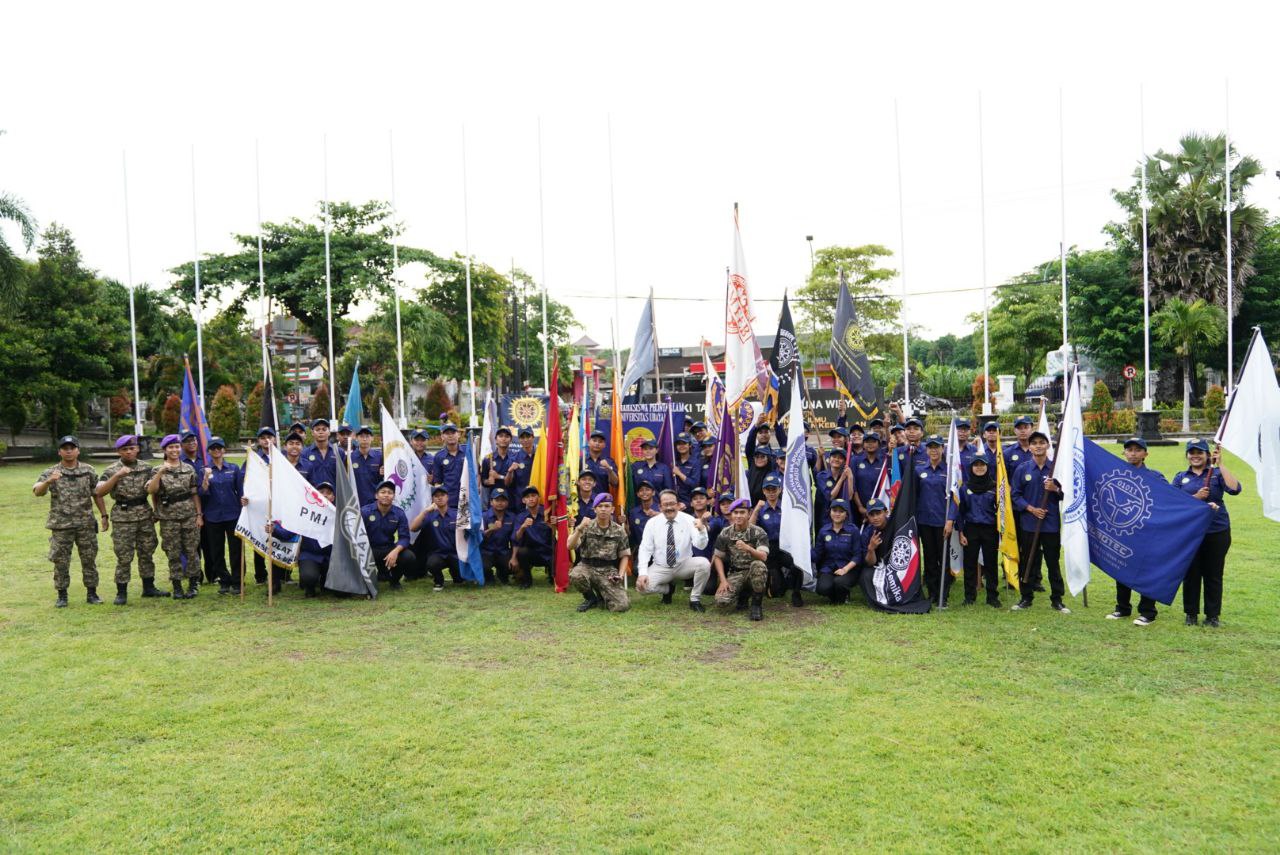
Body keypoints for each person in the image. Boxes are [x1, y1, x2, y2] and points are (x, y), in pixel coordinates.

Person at [34, 435, 107, 607]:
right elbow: (37, 491)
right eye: (65, 448)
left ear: (78, 450)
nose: (68, 451)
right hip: (61, 525)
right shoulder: (51, 472)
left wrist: (104, 515)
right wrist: (49, 481)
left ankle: (92, 593)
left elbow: (96, 493)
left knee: (89, 559)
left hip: (85, 524)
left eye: (72, 448)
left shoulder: (88, 470)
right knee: (61, 561)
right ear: (59, 452)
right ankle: (62, 596)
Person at [1175, 439, 1241, 628]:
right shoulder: (1181, 477)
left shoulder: (1216, 474)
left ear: (1207, 455)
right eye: (1191, 452)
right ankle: (1191, 614)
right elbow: (1172, 502)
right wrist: (1195, 498)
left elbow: (1235, 489)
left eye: (1200, 452)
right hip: (1190, 532)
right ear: (1187, 455)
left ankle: (1212, 615)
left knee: (1213, 574)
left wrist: (1220, 464)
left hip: (1216, 530)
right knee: (1191, 574)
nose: (1195, 455)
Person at [95, 434, 166, 604]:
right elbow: (99, 492)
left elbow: (154, 490)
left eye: (132, 448)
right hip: (123, 516)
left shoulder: (147, 468)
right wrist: (117, 476)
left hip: (144, 513)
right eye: (124, 449)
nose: (129, 452)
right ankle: (121, 592)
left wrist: (156, 510)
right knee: (124, 555)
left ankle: (148, 587)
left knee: (147, 551)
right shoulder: (111, 470)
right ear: (119, 451)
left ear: (137, 449)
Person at [1105, 438, 1165, 625]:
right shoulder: (1116, 475)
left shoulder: (1156, 476)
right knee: (1121, 567)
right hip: (1123, 531)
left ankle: (1148, 612)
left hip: (1147, 533)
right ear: (1124, 453)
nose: (1133, 453)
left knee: (1147, 570)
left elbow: (1168, 500)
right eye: (1129, 450)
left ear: (1145, 454)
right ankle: (1122, 608)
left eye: (1138, 450)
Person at [1010, 430, 1068, 613]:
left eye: (1041, 442)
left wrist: (1056, 489)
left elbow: (1067, 496)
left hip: (1050, 525)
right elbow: (1015, 495)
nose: (1038, 446)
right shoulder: (1023, 469)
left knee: (1052, 562)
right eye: (1034, 443)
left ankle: (1057, 599)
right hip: (1029, 523)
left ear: (1047, 445)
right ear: (1030, 446)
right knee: (1028, 561)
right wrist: (1031, 509)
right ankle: (1026, 597)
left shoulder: (1056, 469)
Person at [147, 433, 204, 600]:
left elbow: (194, 493)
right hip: (168, 517)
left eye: (177, 447)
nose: (175, 450)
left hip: (188, 515)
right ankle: (177, 585)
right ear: (165, 450)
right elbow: (152, 490)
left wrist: (199, 514)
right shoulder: (157, 470)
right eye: (171, 447)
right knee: (173, 552)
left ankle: (193, 585)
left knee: (192, 550)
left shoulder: (188, 468)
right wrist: (160, 473)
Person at [636, 489, 712, 612]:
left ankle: (695, 599)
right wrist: (642, 573)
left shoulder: (688, 520)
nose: (669, 507)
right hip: (661, 566)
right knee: (642, 588)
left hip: (683, 565)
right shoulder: (652, 523)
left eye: (672, 504)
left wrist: (702, 531)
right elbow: (645, 549)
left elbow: (701, 545)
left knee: (704, 564)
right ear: (660, 507)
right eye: (665, 505)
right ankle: (668, 589)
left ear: (678, 505)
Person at [950, 453, 1001, 607]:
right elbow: (960, 512)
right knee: (970, 564)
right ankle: (969, 597)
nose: (979, 468)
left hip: (990, 529)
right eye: (976, 465)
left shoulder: (995, 487)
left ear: (987, 467)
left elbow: (1002, 510)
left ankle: (992, 597)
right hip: (970, 529)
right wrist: (961, 532)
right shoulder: (965, 487)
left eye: (982, 465)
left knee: (991, 564)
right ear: (971, 468)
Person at [567, 494, 631, 613]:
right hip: (587, 567)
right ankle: (591, 598)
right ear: (594, 509)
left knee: (622, 606)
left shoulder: (619, 530)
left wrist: (620, 575)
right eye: (600, 506)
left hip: (607, 570)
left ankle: (603, 594)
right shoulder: (586, 526)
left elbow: (625, 555)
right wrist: (579, 528)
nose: (603, 509)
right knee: (576, 575)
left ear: (612, 509)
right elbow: (570, 546)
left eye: (607, 506)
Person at [198, 436, 244, 595]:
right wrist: (205, 479)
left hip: (233, 514)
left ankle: (238, 581)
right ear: (209, 451)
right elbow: (201, 494)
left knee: (236, 550)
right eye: (213, 448)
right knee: (216, 551)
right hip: (213, 516)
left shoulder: (233, 468)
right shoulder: (204, 470)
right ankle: (224, 580)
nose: (216, 450)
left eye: (219, 448)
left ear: (224, 449)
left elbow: (240, 491)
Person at [712, 498, 770, 621]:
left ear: (749, 514)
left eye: (742, 512)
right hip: (736, 572)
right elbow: (717, 557)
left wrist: (748, 548)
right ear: (731, 514)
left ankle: (756, 604)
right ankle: (743, 595)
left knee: (758, 566)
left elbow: (763, 556)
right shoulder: (726, 533)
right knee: (721, 602)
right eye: (735, 512)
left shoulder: (758, 532)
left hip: (753, 570)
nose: (738, 516)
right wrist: (723, 580)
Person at [750, 472, 801, 604]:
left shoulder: (786, 507)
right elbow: (750, 528)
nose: (771, 492)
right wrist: (756, 510)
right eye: (768, 489)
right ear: (763, 491)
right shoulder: (760, 509)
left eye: (774, 489)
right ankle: (779, 578)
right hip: (769, 549)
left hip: (785, 547)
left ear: (780, 489)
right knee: (776, 592)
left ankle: (796, 593)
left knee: (797, 565)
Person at [915, 435, 952, 607]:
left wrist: (950, 520)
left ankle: (943, 596)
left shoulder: (950, 471)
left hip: (943, 523)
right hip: (924, 522)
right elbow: (914, 496)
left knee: (943, 560)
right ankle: (932, 594)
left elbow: (955, 499)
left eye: (937, 447)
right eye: (930, 447)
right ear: (926, 450)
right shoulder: (919, 470)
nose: (934, 450)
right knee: (929, 559)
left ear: (942, 449)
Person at [362, 479, 415, 589]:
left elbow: (404, 537)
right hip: (369, 549)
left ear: (393, 496)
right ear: (376, 495)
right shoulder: (365, 512)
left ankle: (394, 580)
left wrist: (395, 551)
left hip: (388, 548)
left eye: (390, 493)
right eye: (383, 492)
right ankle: (368, 580)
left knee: (409, 557)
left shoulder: (399, 513)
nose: (386, 495)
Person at [812, 499, 859, 605]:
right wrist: (803, 549)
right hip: (828, 568)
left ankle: (844, 594)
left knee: (839, 583)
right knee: (822, 588)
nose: (837, 514)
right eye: (834, 510)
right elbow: (817, 555)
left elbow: (857, 556)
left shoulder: (853, 531)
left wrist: (845, 569)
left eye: (841, 511)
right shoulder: (824, 531)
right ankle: (837, 595)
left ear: (846, 514)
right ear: (830, 512)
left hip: (848, 569)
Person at [410, 486, 459, 589]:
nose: (439, 498)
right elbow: (413, 528)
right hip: (437, 554)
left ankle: (456, 575)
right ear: (432, 499)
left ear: (447, 497)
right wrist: (425, 511)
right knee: (432, 564)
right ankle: (438, 580)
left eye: (442, 495)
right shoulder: (429, 516)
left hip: (455, 553)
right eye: (436, 496)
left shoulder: (457, 514)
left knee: (460, 581)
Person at [512, 485, 554, 588]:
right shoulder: (521, 517)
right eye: (527, 497)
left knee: (555, 580)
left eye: (533, 495)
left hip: (550, 551)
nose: (531, 498)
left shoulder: (548, 513)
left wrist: (552, 526)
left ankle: (553, 576)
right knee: (522, 552)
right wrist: (523, 527)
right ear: (523, 500)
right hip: (533, 552)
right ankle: (527, 581)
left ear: (539, 498)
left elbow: (558, 534)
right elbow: (516, 538)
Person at [481, 487, 516, 584]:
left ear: (507, 502)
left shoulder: (512, 517)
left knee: (513, 566)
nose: (500, 503)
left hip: (503, 551)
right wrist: (491, 530)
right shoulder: (483, 516)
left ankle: (502, 574)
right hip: (486, 552)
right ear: (491, 502)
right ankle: (489, 576)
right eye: (497, 500)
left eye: (503, 500)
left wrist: (514, 557)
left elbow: (514, 539)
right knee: (484, 567)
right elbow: (478, 537)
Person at [852, 432, 887, 519]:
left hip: (880, 509)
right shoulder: (855, 460)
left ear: (879, 444)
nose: (870, 444)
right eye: (867, 442)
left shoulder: (885, 460)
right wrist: (860, 507)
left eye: (873, 441)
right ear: (863, 444)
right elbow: (853, 486)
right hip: (861, 509)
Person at [303, 418, 344, 488]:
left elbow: (343, 477)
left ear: (329, 432)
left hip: (334, 497)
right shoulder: (305, 453)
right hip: (313, 496)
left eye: (324, 429)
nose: (321, 432)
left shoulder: (339, 452)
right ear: (312, 433)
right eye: (317, 429)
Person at [430, 423, 464, 506]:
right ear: (442, 437)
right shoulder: (438, 456)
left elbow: (476, 474)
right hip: (449, 502)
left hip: (468, 499)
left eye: (453, 433)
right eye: (447, 433)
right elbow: (437, 482)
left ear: (458, 434)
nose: (450, 436)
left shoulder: (468, 451)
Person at [350, 425, 383, 506]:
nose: (364, 439)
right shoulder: (350, 458)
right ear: (356, 438)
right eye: (361, 436)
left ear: (372, 438)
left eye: (367, 436)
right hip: (356, 502)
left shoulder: (380, 456)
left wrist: (384, 473)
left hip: (375, 502)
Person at [583, 430, 620, 497]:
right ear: (589, 442)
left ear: (604, 445)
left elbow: (615, 483)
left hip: (602, 502)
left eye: (600, 441)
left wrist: (609, 470)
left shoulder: (609, 461)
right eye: (594, 440)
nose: (597, 443)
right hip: (584, 501)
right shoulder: (582, 460)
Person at [628, 480, 660, 554]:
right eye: (641, 490)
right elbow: (632, 535)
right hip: (642, 551)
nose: (644, 492)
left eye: (647, 490)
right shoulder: (633, 512)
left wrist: (659, 515)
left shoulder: (661, 509)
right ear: (638, 494)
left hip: (660, 551)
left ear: (653, 493)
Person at [480, 426, 516, 491]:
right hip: (495, 499)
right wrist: (488, 481)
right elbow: (483, 481)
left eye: (507, 436)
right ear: (496, 440)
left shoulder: (516, 458)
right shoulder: (488, 459)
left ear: (511, 440)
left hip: (512, 498)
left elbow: (516, 481)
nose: (503, 439)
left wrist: (499, 476)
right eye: (501, 436)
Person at [671, 433, 702, 507]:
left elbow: (695, 484)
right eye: (679, 444)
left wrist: (679, 474)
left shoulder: (695, 462)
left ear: (690, 445)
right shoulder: (674, 462)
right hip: (675, 503)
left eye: (684, 443)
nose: (681, 446)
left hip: (689, 503)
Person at [507, 428, 537, 495]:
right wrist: (510, 471)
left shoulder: (540, 456)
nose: (525, 440)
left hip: (538, 498)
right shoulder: (514, 458)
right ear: (519, 440)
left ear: (533, 437)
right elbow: (508, 483)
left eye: (528, 436)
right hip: (521, 498)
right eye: (522, 437)